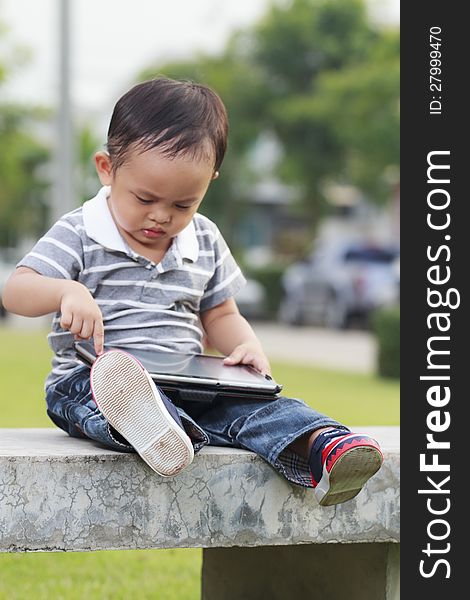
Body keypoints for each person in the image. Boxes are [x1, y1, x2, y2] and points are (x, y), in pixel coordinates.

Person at [2, 77, 383, 506]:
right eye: (144, 198)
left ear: (209, 183)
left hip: (189, 383)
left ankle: (324, 447)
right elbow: (16, 291)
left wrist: (246, 346)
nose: (161, 216)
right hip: (88, 381)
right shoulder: (81, 231)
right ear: (107, 169)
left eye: (183, 204)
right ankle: (157, 424)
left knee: (258, 409)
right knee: (107, 405)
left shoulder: (204, 238)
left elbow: (220, 315)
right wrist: (66, 291)